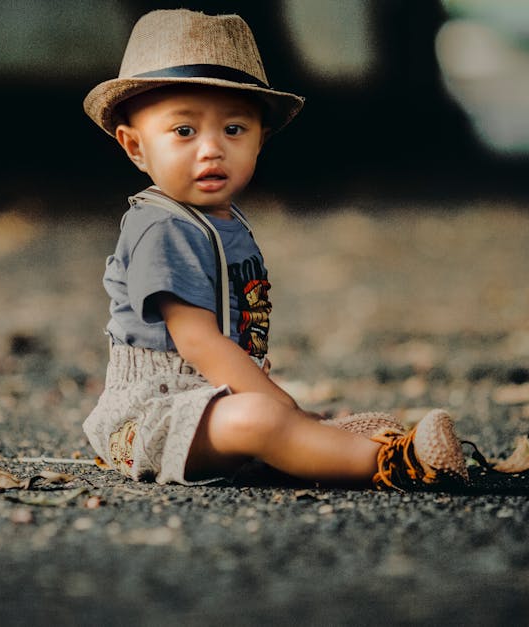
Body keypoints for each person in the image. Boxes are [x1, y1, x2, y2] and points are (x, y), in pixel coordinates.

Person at [81, 8, 468, 490]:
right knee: (261, 419)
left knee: (266, 417)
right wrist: (279, 404)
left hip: (211, 400)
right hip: (151, 419)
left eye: (234, 130)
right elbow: (197, 340)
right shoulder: (160, 228)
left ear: (260, 140)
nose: (211, 149)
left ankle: (320, 443)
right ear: (135, 147)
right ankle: (392, 462)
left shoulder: (224, 223)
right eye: (184, 131)